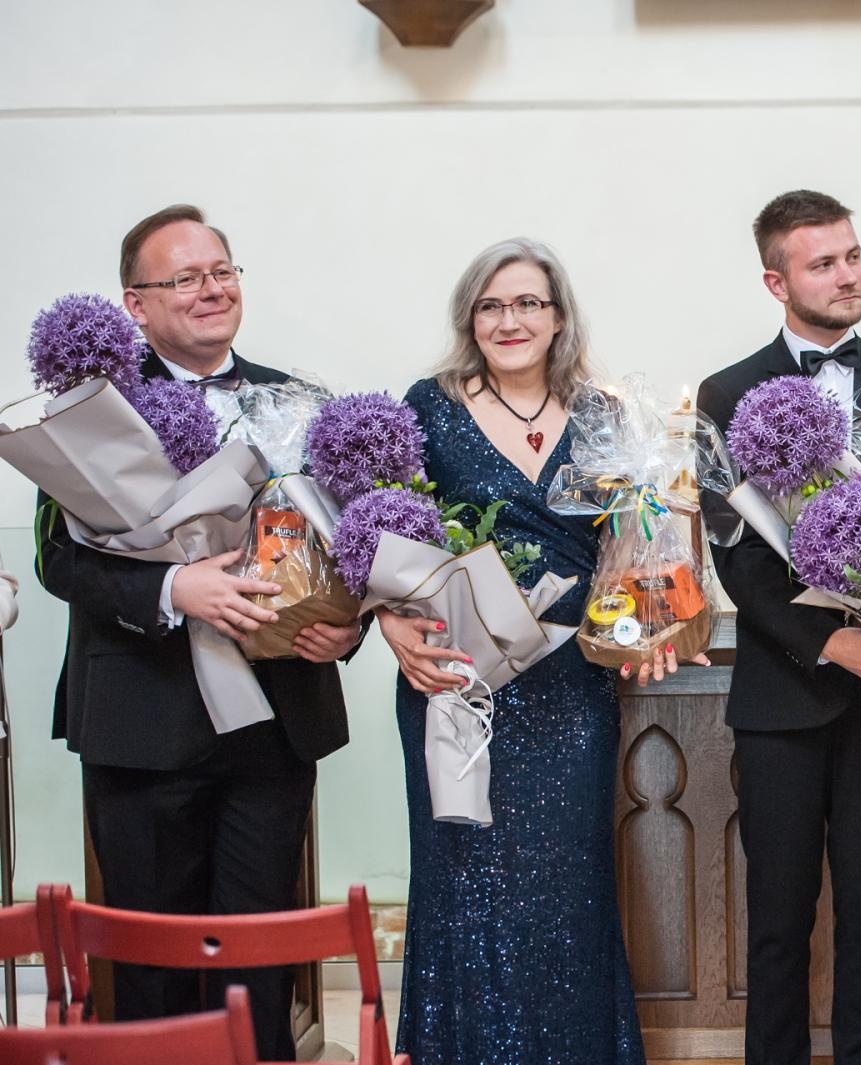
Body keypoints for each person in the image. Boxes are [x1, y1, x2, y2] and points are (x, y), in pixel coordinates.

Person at [38, 204, 361, 1057]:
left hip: (274, 717)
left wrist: (344, 628)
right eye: (184, 277)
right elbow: (58, 561)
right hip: (144, 721)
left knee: (262, 961)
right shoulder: (90, 412)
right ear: (134, 305)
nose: (211, 288)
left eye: (221, 270)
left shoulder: (296, 402)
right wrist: (178, 584)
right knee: (152, 964)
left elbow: (347, 554)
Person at [376, 238, 644, 1065]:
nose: (510, 319)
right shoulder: (428, 405)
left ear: (559, 316)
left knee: (567, 891)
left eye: (528, 302)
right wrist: (390, 619)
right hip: (460, 679)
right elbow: (382, 534)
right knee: (466, 886)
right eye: (492, 305)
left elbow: (632, 544)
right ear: (471, 318)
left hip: (571, 689)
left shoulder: (603, 415)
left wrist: (642, 611)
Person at [696, 190, 861, 1065]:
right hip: (782, 696)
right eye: (822, 262)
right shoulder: (726, 392)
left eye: (853, 255)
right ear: (777, 279)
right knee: (779, 920)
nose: (846, 275)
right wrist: (830, 640)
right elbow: (735, 553)